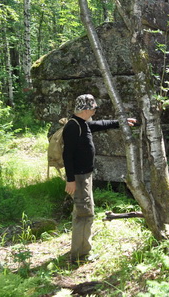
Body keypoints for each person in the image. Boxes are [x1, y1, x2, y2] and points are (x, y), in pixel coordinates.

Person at [62, 94, 136, 262]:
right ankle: (81, 255)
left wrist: (121, 122)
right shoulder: (73, 127)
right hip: (79, 178)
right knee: (85, 213)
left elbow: (100, 125)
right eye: (93, 108)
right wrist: (70, 179)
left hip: (84, 176)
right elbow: (67, 155)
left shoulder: (82, 124)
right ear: (86, 109)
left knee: (84, 211)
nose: (95, 111)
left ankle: (79, 249)